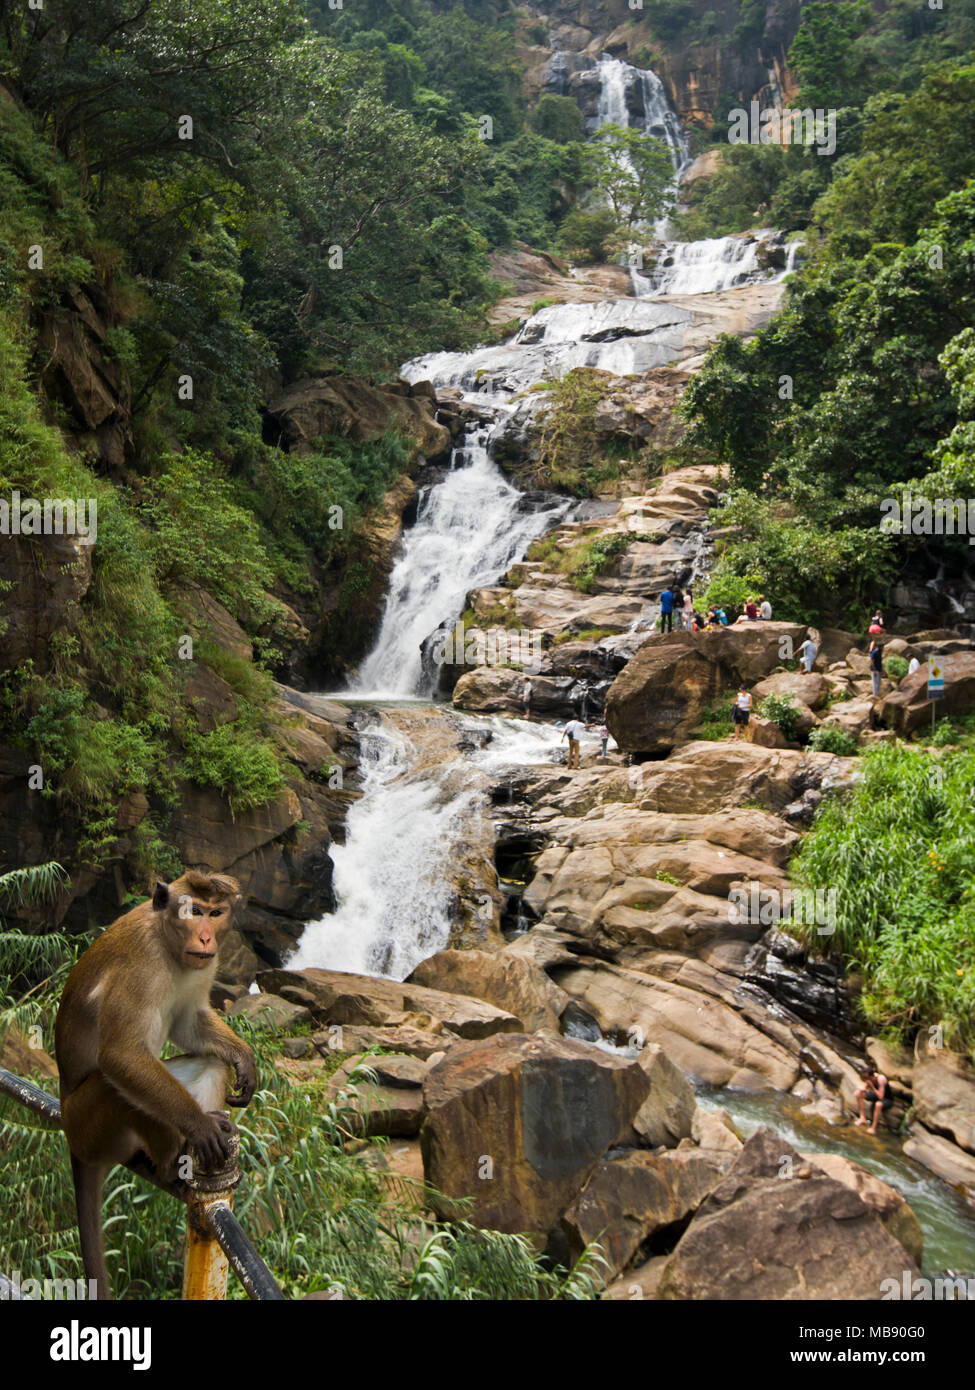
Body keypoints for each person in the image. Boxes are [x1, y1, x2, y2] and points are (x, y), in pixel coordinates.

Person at [854, 1067, 892, 1134]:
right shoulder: (869, 1078)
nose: (868, 1080)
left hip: (887, 1099)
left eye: (869, 1079)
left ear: (873, 1076)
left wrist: (872, 1087)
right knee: (858, 1094)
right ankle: (862, 1118)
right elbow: (864, 1088)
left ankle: (873, 1128)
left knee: (878, 1104)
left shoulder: (881, 1079)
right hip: (877, 1095)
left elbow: (881, 1096)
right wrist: (861, 1090)